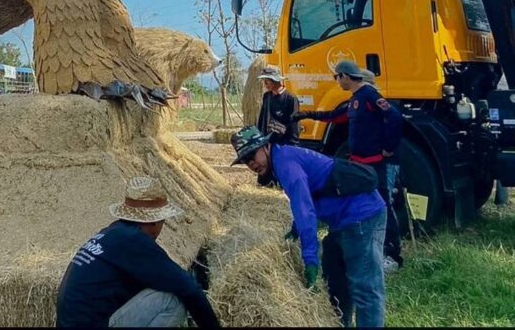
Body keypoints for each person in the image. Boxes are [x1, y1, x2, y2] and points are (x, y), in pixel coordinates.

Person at [230, 126, 387, 328]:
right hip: (342, 220)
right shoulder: (281, 160)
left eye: (252, 155)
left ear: (266, 146)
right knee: (336, 283)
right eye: (245, 160)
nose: (251, 163)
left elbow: (305, 211)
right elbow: (310, 198)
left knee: (365, 289)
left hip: (363, 216)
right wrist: (295, 230)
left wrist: (310, 260)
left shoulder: (285, 164)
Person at [55, 176, 220, 328]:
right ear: (155, 221)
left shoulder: (112, 233)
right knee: (173, 299)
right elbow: (189, 287)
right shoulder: (134, 240)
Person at [294, 60, 405, 272]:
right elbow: (335, 117)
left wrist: (388, 147)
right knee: (363, 204)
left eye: (337, 77)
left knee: (383, 205)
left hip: (374, 163)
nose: (337, 81)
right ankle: (364, 246)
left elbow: (394, 117)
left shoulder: (369, 95)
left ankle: (392, 255)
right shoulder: (355, 99)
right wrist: (307, 115)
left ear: (345, 76)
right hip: (359, 163)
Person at [255, 66, 299, 146]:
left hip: (283, 144)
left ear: (276, 80)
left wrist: (292, 146)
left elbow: (294, 125)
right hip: (268, 142)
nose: (265, 84)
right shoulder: (267, 96)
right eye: (264, 81)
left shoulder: (291, 99)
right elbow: (262, 118)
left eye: (267, 81)